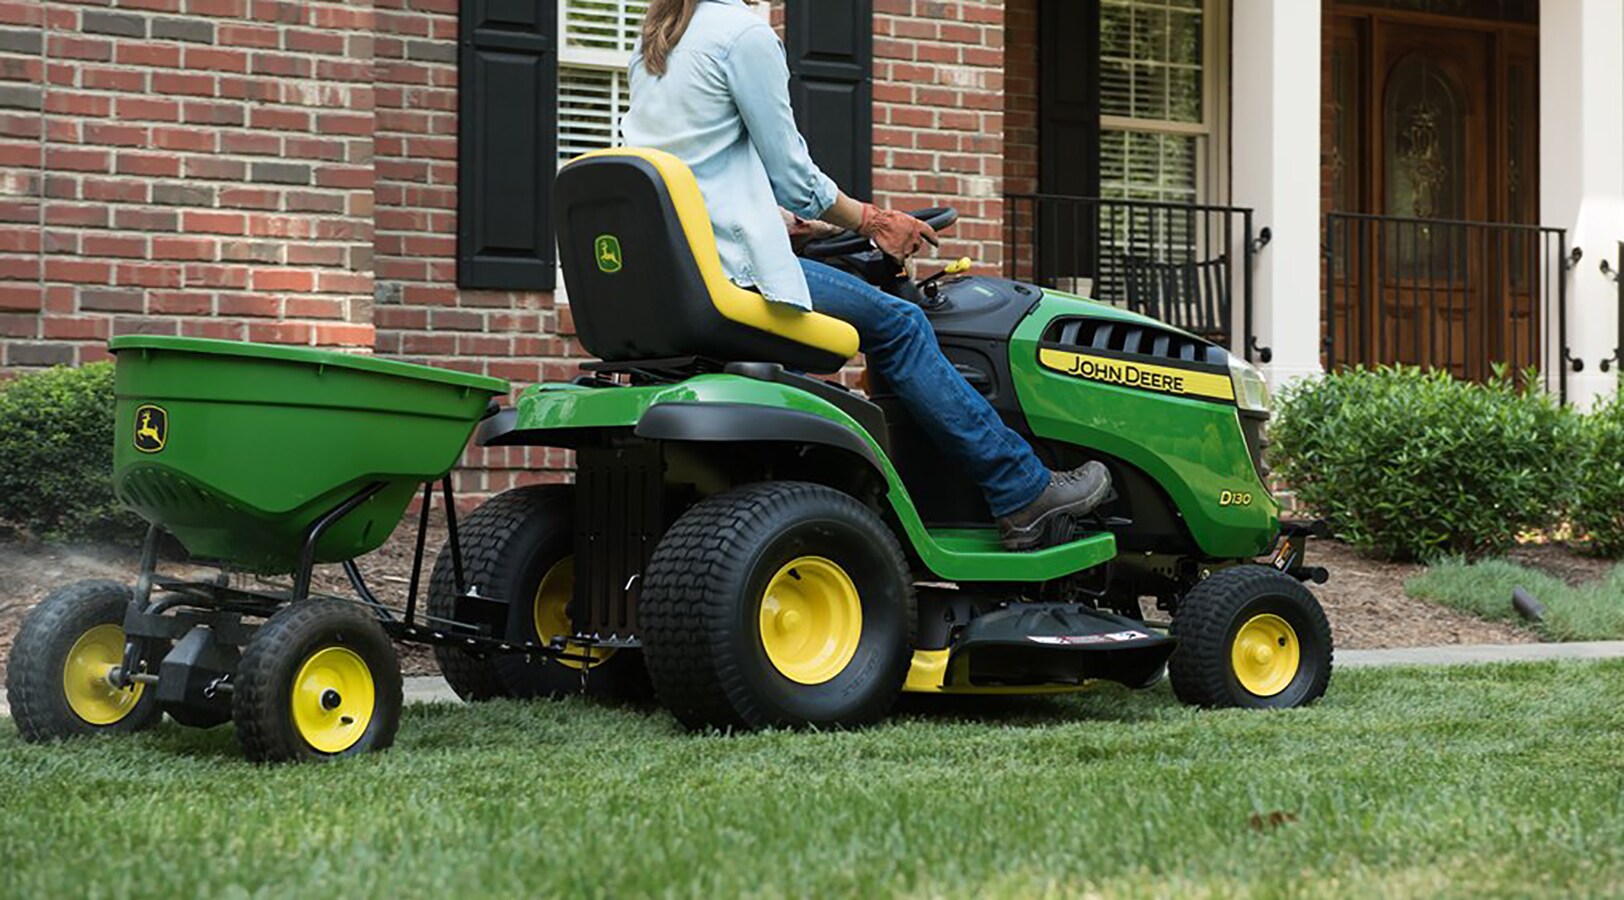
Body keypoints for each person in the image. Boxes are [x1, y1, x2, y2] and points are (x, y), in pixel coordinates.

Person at [621, 0, 1111, 551]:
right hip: (732, 273)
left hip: (681, 272)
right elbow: (792, 175)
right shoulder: (743, 36)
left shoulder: (658, 43)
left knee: (876, 312)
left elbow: (696, 174)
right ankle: (1022, 490)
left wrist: (790, 225)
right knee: (901, 325)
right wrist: (874, 221)